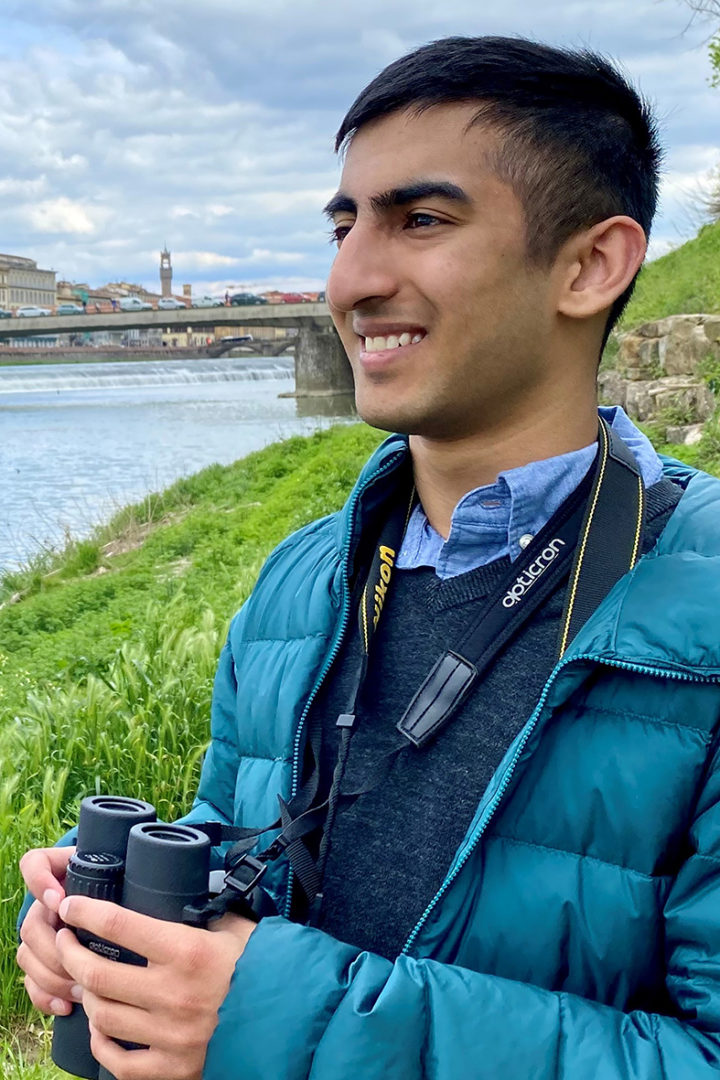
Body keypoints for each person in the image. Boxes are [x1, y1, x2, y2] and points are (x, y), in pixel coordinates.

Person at [17, 35, 720, 1080]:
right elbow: (252, 840)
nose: (351, 279)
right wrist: (131, 918)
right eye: (344, 226)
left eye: (419, 220)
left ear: (589, 266)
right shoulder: (300, 579)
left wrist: (283, 1016)